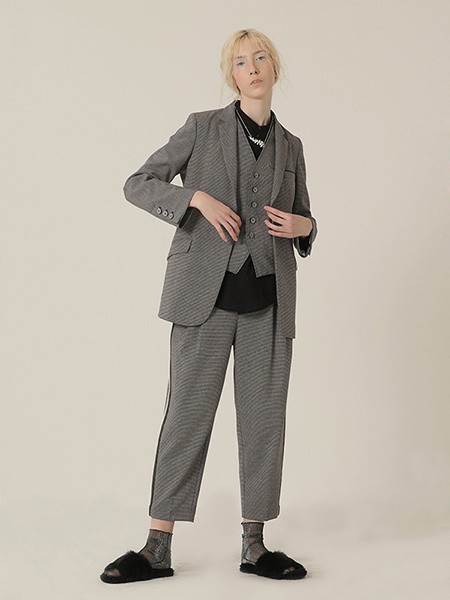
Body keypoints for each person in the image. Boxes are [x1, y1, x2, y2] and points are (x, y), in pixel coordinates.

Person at [100, 28, 317, 583]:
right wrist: (194, 197)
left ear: (274, 67)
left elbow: (304, 217)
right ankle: (156, 547)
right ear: (231, 75)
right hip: (204, 296)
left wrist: (305, 226)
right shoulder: (202, 127)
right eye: (240, 62)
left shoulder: (291, 146)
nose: (252, 68)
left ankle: (255, 546)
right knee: (187, 416)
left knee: (264, 421)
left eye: (260, 57)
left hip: (269, 299)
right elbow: (137, 183)